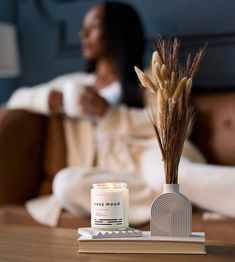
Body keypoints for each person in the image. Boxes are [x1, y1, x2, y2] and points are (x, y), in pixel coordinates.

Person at [7, 1, 235, 227]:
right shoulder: (74, 86)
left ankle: (175, 197)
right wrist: (50, 100)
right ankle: (174, 202)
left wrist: (110, 113)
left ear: (117, 30)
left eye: (94, 26)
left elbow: (177, 125)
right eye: (83, 27)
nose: (83, 33)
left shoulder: (151, 78)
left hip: (148, 153)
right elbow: (15, 99)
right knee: (65, 184)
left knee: (169, 176)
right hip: (109, 175)